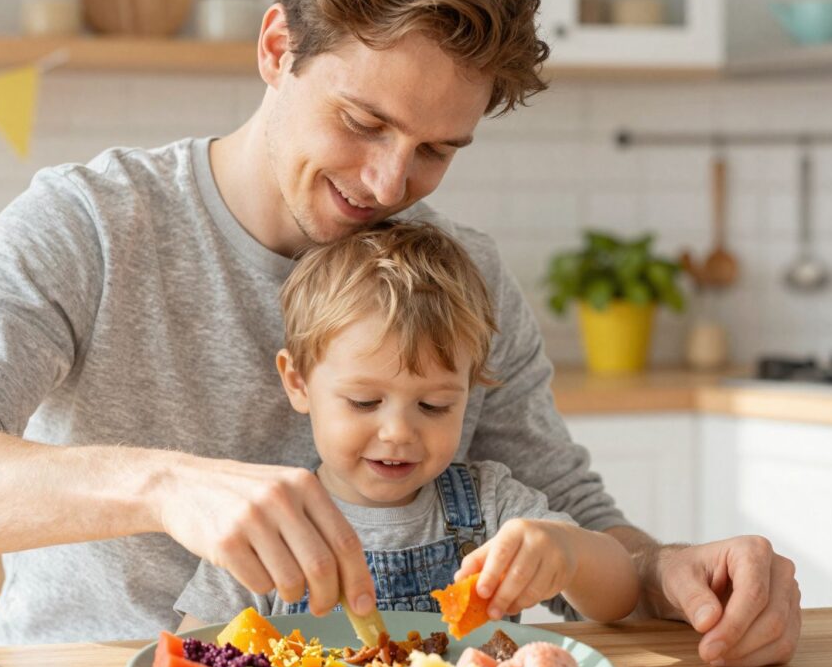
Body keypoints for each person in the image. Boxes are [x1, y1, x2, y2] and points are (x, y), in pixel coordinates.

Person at [0, 0, 799, 666]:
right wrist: (164, 485)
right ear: (275, 49)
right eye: (362, 121)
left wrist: (663, 571)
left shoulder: (460, 271)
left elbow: (577, 516)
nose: (388, 184)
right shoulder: (93, 223)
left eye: (435, 151)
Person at [177, 222, 640, 629]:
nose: (397, 431)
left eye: (434, 405)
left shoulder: (493, 508)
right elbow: (195, 652)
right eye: (364, 401)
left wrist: (570, 553)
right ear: (298, 382)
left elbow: (619, 598)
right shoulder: (270, 523)